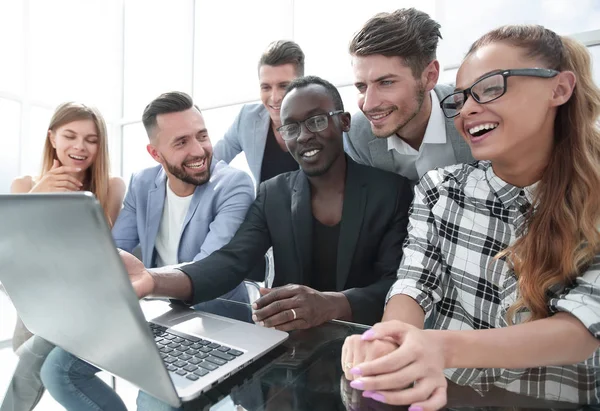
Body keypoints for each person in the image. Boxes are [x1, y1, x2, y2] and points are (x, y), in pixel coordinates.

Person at [341, 25, 600, 410]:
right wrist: (390, 337)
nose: (468, 109)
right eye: (461, 98)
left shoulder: (591, 199)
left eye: (492, 87)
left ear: (559, 89)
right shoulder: (439, 187)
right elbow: (415, 280)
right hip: (447, 395)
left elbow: (582, 327)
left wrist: (438, 347)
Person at [38, 91, 256, 411]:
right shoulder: (142, 183)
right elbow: (116, 252)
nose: (198, 150)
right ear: (155, 153)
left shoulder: (234, 184)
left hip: (214, 315)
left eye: (202, 135)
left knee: (153, 398)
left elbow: (209, 269)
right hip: (157, 313)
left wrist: (146, 286)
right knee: (57, 370)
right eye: (181, 142)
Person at [2, 102, 125, 411]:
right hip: (38, 312)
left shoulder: (110, 187)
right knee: (38, 347)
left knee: (37, 353)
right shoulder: (25, 186)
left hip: (90, 312)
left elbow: (100, 260)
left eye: (91, 140)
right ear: (52, 138)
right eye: (70, 136)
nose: (80, 147)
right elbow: (10, 260)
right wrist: (36, 198)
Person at [344, 8, 474, 183]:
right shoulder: (356, 135)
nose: (368, 105)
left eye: (386, 82)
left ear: (429, 76)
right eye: (361, 86)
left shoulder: (473, 112)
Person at [213, 40, 304, 186]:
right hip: (265, 207)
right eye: (266, 87)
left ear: (302, 84)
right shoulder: (247, 118)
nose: (274, 98)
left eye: (284, 86)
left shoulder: (320, 122)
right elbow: (212, 162)